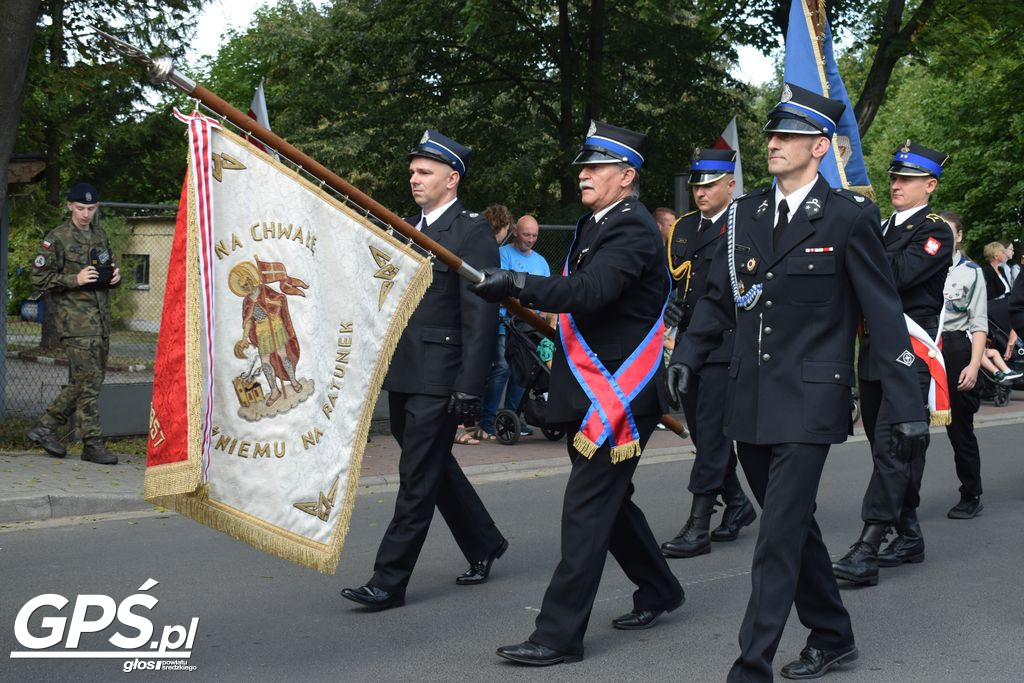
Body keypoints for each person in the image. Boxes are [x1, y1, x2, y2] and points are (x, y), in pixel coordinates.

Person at [667, 83, 928, 680]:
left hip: (812, 400)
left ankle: (749, 666)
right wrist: (689, 351)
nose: (773, 144)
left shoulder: (848, 217)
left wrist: (908, 401)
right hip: (750, 395)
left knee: (777, 537)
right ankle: (834, 634)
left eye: (787, 136)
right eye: (771, 135)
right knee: (795, 527)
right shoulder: (744, 214)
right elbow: (716, 298)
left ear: (819, 146)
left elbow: (885, 318)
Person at [472, 121, 685, 665]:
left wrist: (517, 284)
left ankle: (558, 635)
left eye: (595, 168)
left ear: (626, 175)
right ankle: (660, 588)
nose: (584, 175)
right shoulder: (596, 223)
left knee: (586, 509)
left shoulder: (633, 228)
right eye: (584, 167)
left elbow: (590, 292)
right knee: (609, 504)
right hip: (589, 385)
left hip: (619, 393)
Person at [340, 130, 508, 610]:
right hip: (406, 370)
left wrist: (470, 386)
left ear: (451, 179)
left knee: (416, 476)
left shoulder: (471, 231)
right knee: (432, 465)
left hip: (442, 375)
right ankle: (484, 541)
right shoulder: (406, 226)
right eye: (413, 171)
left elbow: (480, 315)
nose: (414, 178)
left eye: (424, 171)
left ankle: (388, 581)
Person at [832, 140, 954, 587]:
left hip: (910, 352)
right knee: (888, 448)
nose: (896, 184)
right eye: (894, 177)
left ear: (930, 185)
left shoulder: (937, 230)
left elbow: (897, 276)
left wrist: (858, 253)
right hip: (874, 350)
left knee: (892, 447)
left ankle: (868, 544)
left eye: (906, 178)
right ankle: (909, 533)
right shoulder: (880, 228)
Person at [659, 147, 755, 559]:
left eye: (711, 184)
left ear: (730, 185)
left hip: (725, 343)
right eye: (697, 184)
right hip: (689, 345)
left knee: (713, 433)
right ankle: (736, 503)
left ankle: (699, 524)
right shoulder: (682, 229)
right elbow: (674, 283)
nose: (701, 192)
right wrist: (669, 306)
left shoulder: (745, 226)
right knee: (701, 431)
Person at [26, 183, 121, 465]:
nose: (85, 214)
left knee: (85, 381)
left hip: (101, 321)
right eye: (80, 208)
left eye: (91, 209)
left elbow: (105, 270)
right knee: (89, 384)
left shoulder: (100, 236)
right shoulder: (57, 238)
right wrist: (73, 279)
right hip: (75, 323)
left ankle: (44, 427)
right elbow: (38, 279)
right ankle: (92, 444)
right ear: (69, 206)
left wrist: (115, 278)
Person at [935, 211, 988, 520]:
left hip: (955, 349)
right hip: (923, 347)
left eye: (948, 231)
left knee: (960, 429)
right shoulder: (922, 266)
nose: (942, 236)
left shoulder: (971, 273)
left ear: (959, 236)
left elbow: (979, 324)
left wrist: (973, 364)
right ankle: (903, 498)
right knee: (910, 428)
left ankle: (971, 492)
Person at [465, 203, 514, 444]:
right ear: (503, 226)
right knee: (496, 367)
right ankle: (476, 422)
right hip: (488, 316)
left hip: (494, 317)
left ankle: (479, 422)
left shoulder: (484, 244)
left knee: (492, 367)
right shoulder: (492, 249)